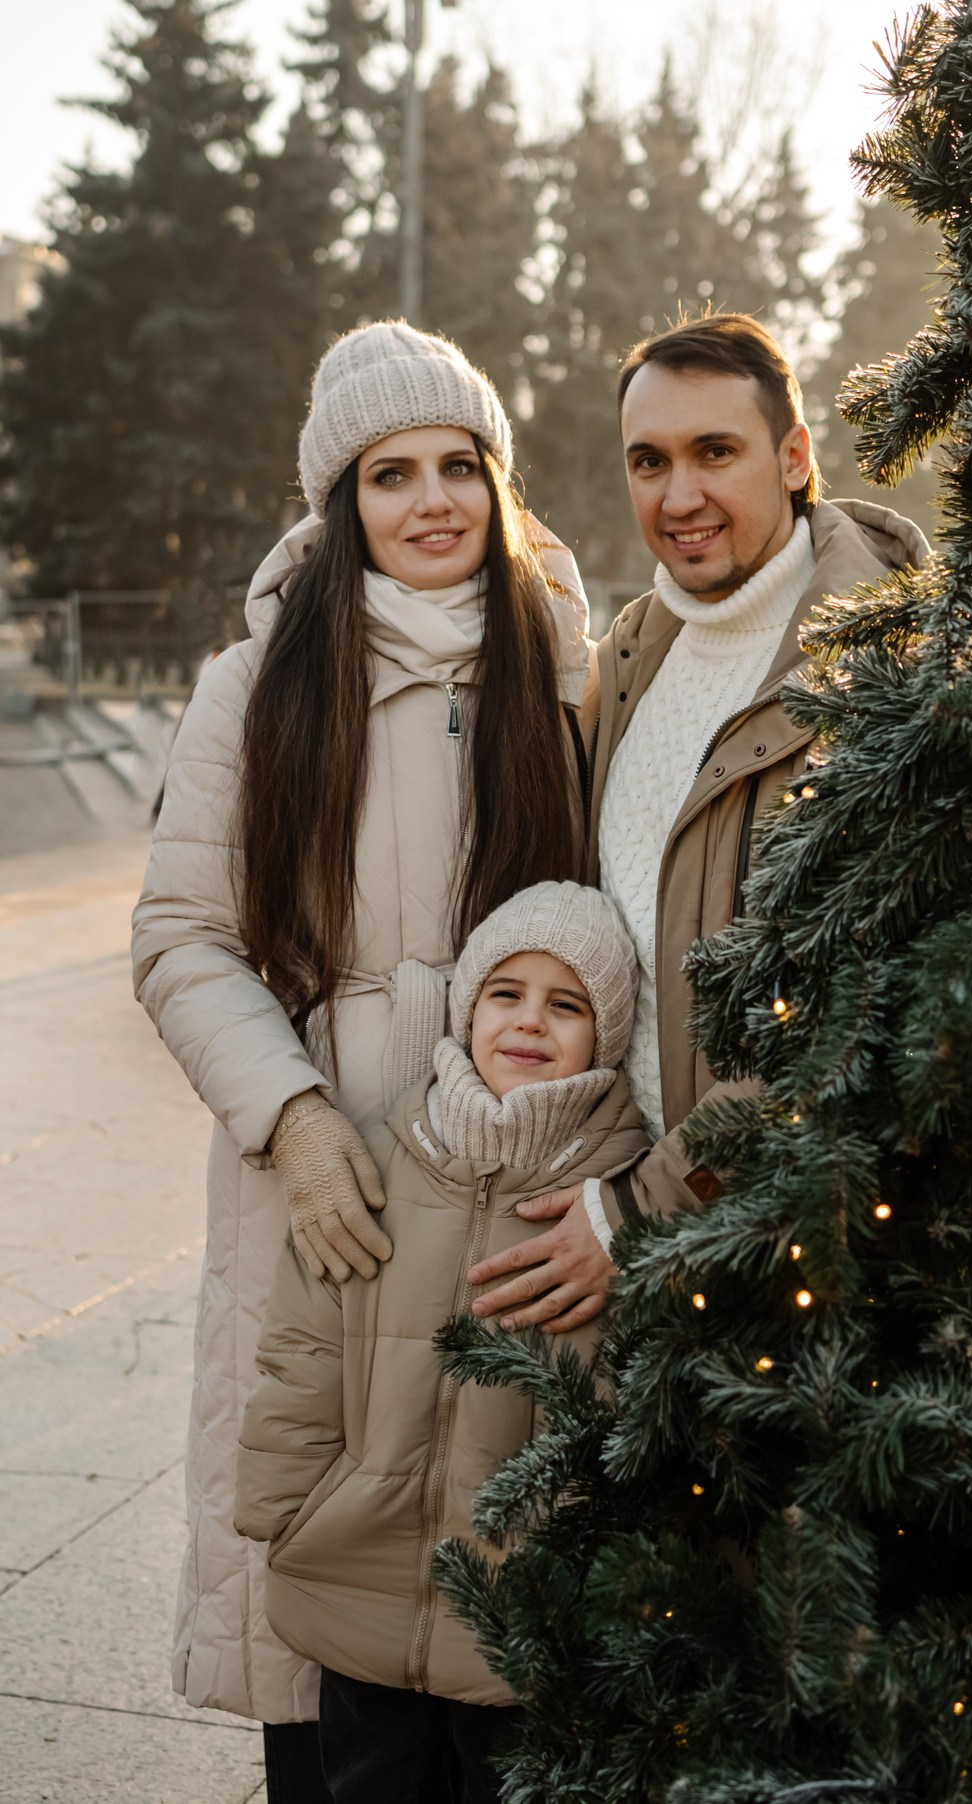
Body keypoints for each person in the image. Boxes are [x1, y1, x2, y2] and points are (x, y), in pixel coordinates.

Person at [131, 321, 590, 1801]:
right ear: (341, 503)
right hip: (330, 1176)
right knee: (328, 1577)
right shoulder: (256, 683)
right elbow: (183, 938)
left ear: (499, 482)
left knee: (504, 1572)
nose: (432, 500)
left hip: (518, 1168)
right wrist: (294, 1117)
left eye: (460, 465)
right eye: (391, 474)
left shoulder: (567, 664)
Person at [465, 310, 931, 1328]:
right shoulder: (636, 651)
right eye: (650, 461)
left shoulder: (880, 670)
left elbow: (852, 1012)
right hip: (633, 1249)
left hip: (800, 1260)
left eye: (714, 452)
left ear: (794, 456)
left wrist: (649, 1207)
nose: (678, 497)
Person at [233, 882, 647, 1803]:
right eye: (505, 993)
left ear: (608, 1035)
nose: (529, 1020)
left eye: (566, 1004)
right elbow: (303, 1351)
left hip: (526, 1622)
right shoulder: (385, 1156)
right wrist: (284, 1507)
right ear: (467, 1010)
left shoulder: (614, 1196)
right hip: (358, 1578)